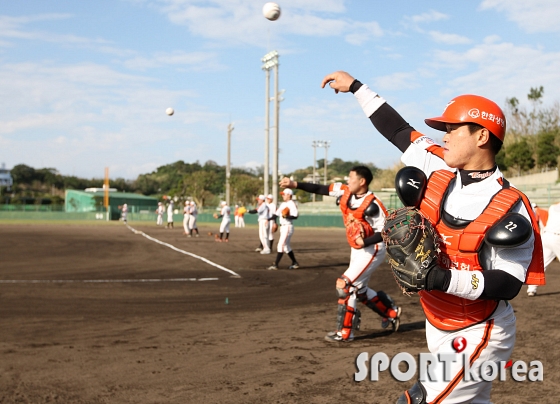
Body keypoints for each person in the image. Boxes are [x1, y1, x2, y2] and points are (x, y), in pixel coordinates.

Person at [321, 71, 544, 403]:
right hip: (436, 322)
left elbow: (509, 283)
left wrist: (441, 278)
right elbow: (397, 129)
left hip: (479, 330)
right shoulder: (436, 165)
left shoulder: (512, 205)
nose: (445, 137)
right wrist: (356, 87)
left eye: (452, 129)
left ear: (482, 136)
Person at [280, 166, 401, 342]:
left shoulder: (373, 204)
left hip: (373, 249)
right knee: (359, 290)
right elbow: (320, 189)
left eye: (351, 177)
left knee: (345, 285)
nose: (347, 180)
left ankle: (345, 333)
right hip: (357, 248)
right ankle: (391, 312)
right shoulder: (344, 191)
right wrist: (294, 184)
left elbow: (387, 231)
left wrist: (364, 242)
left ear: (362, 181)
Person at [527, 201, 559, 296]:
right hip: (557, 238)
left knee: (541, 264)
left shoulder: (553, 206)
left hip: (546, 236)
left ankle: (531, 289)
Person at [268, 188, 299, 270]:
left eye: (284, 194)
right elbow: (276, 214)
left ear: (289, 195)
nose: (282, 195)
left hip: (288, 226)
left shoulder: (292, 204)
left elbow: (295, 216)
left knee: (281, 245)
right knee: (286, 247)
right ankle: (295, 263)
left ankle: (276, 264)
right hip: (283, 227)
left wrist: (287, 216)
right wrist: (268, 220)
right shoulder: (283, 204)